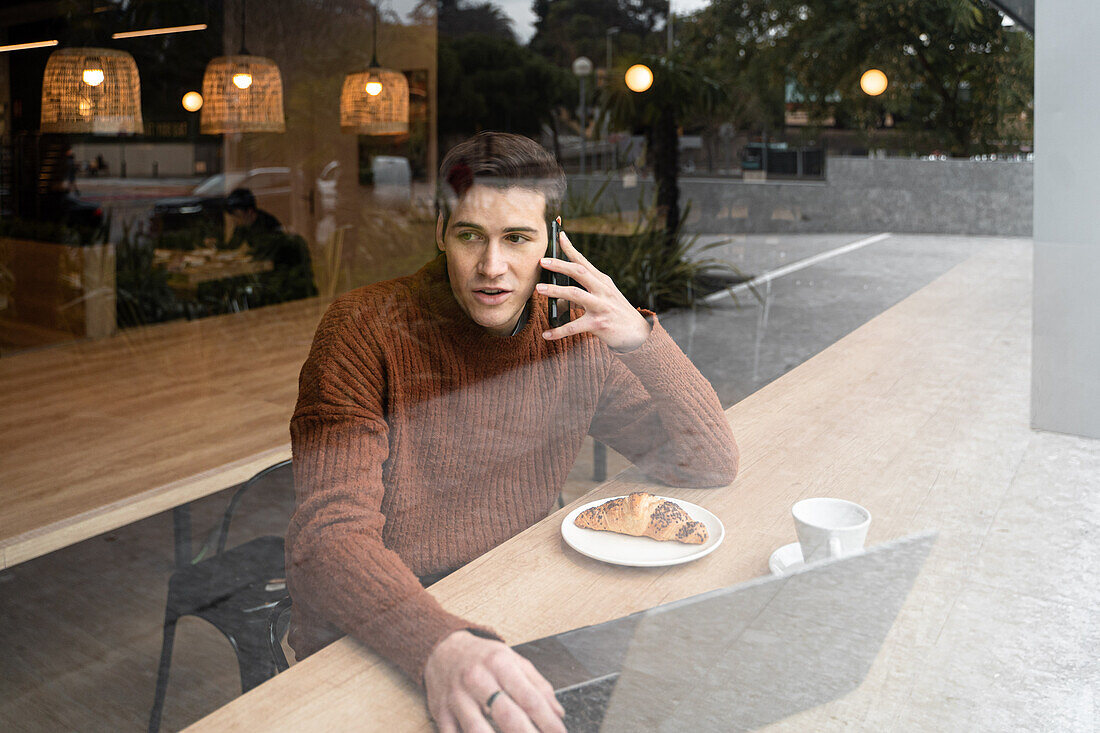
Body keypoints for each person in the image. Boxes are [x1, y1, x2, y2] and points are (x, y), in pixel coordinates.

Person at [286, 131, 739, 732]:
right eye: (471, 235)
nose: (492, 267)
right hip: (373, 625)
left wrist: (640, 340)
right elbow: (328, 538)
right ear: (440, 231)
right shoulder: (362, 330)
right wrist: (439, 644)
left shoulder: (575, 332)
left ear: (554, 239)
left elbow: (709, 461)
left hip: (509, 601)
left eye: (517, 238)